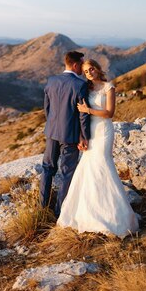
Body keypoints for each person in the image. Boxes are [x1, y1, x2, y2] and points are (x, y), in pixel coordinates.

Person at [57, 59, 139, 237]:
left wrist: (89, 111)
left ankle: (115, 216)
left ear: (98, 69)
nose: (89, 73)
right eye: (86, 71)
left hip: (104, 131)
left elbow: (110, 113)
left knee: (103, 165)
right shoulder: (85, 89)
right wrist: (81, 137)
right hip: (89, 133)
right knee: (88, 168)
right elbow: (79, 116)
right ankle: (90, 213)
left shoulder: (108, 87)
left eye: (92, 69)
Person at [39, 51, 90, 218]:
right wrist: (85, 136)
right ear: (75, 65)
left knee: (47, 169)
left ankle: (42, 207)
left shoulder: (51, 81)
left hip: (52, 132)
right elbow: (83, 114)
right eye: (82, 65)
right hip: (71, 135)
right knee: (67, 173)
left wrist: (52, 125)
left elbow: (47, 108)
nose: (83, 68)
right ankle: (60, 212)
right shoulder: (80, 85)